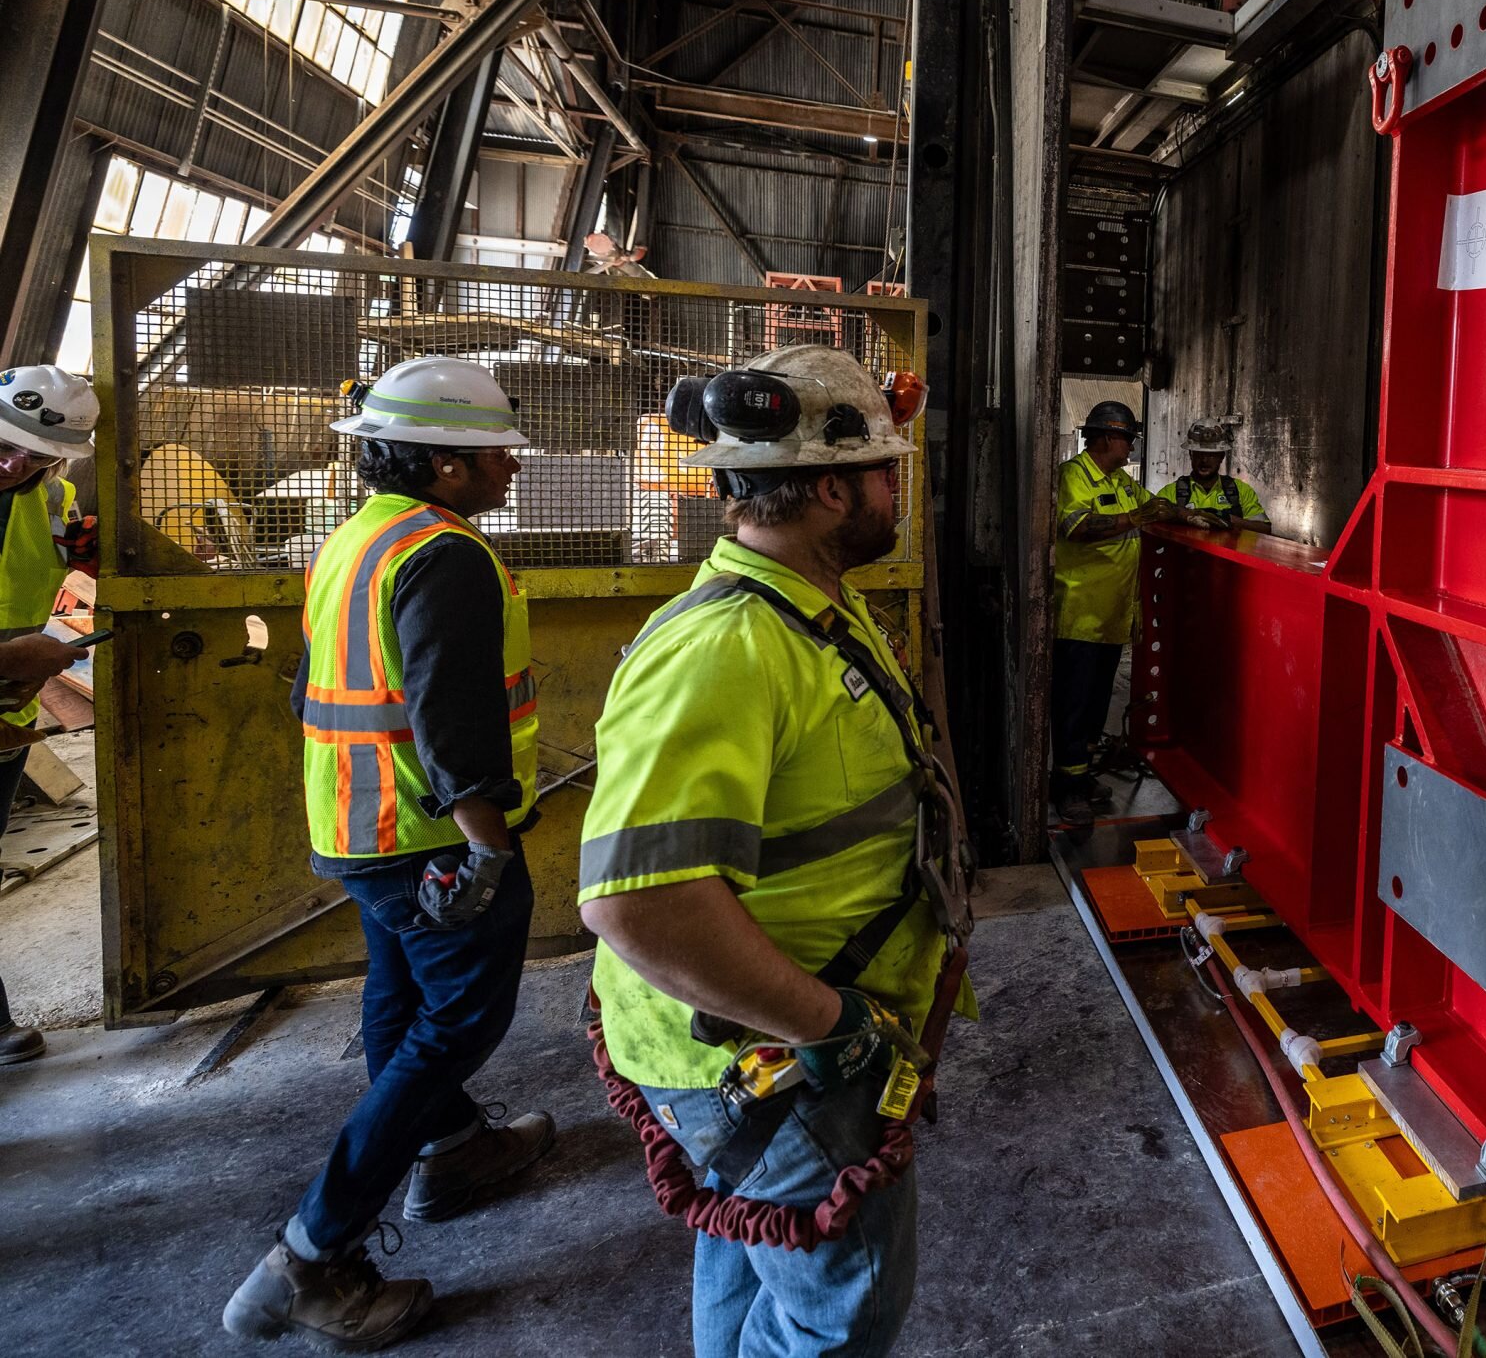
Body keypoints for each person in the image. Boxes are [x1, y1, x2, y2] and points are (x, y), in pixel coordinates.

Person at [580, 346, 970, 1358]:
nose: (898, 491)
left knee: (754, 1258)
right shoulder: (727, 648)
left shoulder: (809, 610)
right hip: (776, 1056)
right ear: (833, 489)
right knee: (837, 1315)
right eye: (888, 472)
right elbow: (639, 903)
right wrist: (831, 1025)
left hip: (767, 1050)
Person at [225, 357, 553, 1348]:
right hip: (428, 841)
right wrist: (485, 853)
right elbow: (450, 717)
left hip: (358, 830)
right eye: (496, 451)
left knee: (401, 1002)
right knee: (455, 1023)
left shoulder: (357, 539)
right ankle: (310, 1258)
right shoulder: (446, 554)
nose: (509, 466)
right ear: (447, 466)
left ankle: (452, 1149)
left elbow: (308, 688)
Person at [0, 365, 98, 1066]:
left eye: (34, 456)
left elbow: (88, 552)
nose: (14, 465)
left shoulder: (54, 498)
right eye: (4, 447)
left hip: (8, 714)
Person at [1051, 400, 1167, 827]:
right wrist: (1135, 517)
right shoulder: (1073, 476)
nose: (1130, 447)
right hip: (1081, 615)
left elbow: (1152, 506)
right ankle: (1066, 788)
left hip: (1113, 617)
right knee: (1073, 705)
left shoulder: (1121, 482)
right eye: (1126, 438)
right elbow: (1075, 527)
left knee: (1096, 704)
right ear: (1103, 437)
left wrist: (1191, 515)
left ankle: (1080, 777)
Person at [1156, 419, 1271, 532]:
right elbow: (1151, 521)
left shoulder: (1241, 491)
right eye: (1199, 454)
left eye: (1211, 455)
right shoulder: (1171, 493)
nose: (1204, 460)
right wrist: (1184, 516)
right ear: (1191, 454)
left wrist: (1227, 518)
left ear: (1221, 456)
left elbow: (1264, 529)